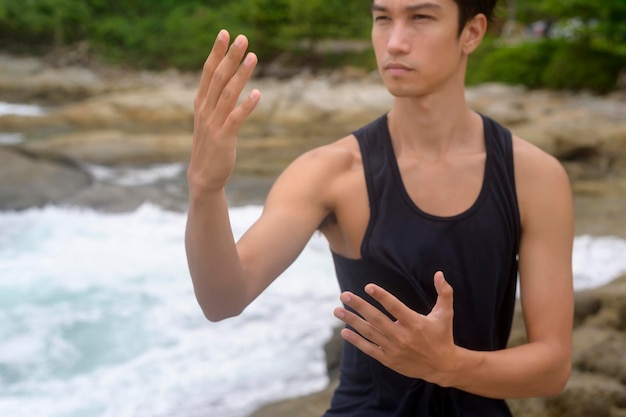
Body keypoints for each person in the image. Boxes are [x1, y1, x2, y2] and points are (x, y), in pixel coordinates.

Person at [185, 0, 574, 415]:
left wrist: (450, 365)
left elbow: (552, 367)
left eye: (420, 18)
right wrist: (206, 189)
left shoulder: (534, 178)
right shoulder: (331, 172)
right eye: (382, 18)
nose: (395, 42)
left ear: (472, 32)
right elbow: (222, 299)